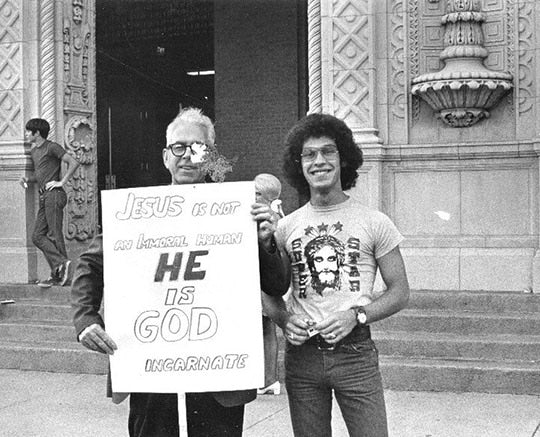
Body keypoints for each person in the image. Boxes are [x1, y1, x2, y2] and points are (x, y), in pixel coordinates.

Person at [71, 107, 288, 437]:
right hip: (152, 367)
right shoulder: (136, 212)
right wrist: (85, 318)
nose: (187, 156)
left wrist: (267, 241)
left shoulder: (237, 212)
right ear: (165, 156)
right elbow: (90, 264)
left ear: (210, 155)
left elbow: (276, 283)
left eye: (197, 148)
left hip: (220, 372)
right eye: (178, 147)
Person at [264, 113, 410, 437]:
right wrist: (285, 321)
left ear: (343, 159)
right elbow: (267, 292)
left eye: (328, 152)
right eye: (309, 154)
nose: (319, 161)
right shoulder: (286, 227)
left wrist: (357, 316)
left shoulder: (374, 221)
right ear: (298, 165)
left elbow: (400, 291)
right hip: (302, 357)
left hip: (355, 354)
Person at [19, 118, 80, 288]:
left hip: (54, 195)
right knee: (37, 236)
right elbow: (41, 175)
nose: (26, 134)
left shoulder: (51, 146)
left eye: (28, 131)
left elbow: (74, 162)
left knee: (54, 234)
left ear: (36, 133)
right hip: (44, 196)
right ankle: (61, 265)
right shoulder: (34, 151)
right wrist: (28, 179)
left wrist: (62, 182)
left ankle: (60, 274)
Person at [254, 173, 284, 396]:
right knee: (267, 328)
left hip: (263, 281)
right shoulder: (277, 215)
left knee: (265, 328)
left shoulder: (269, 218)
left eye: (256, 193)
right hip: (262, 280)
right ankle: (269, 378)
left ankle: (268, 377)